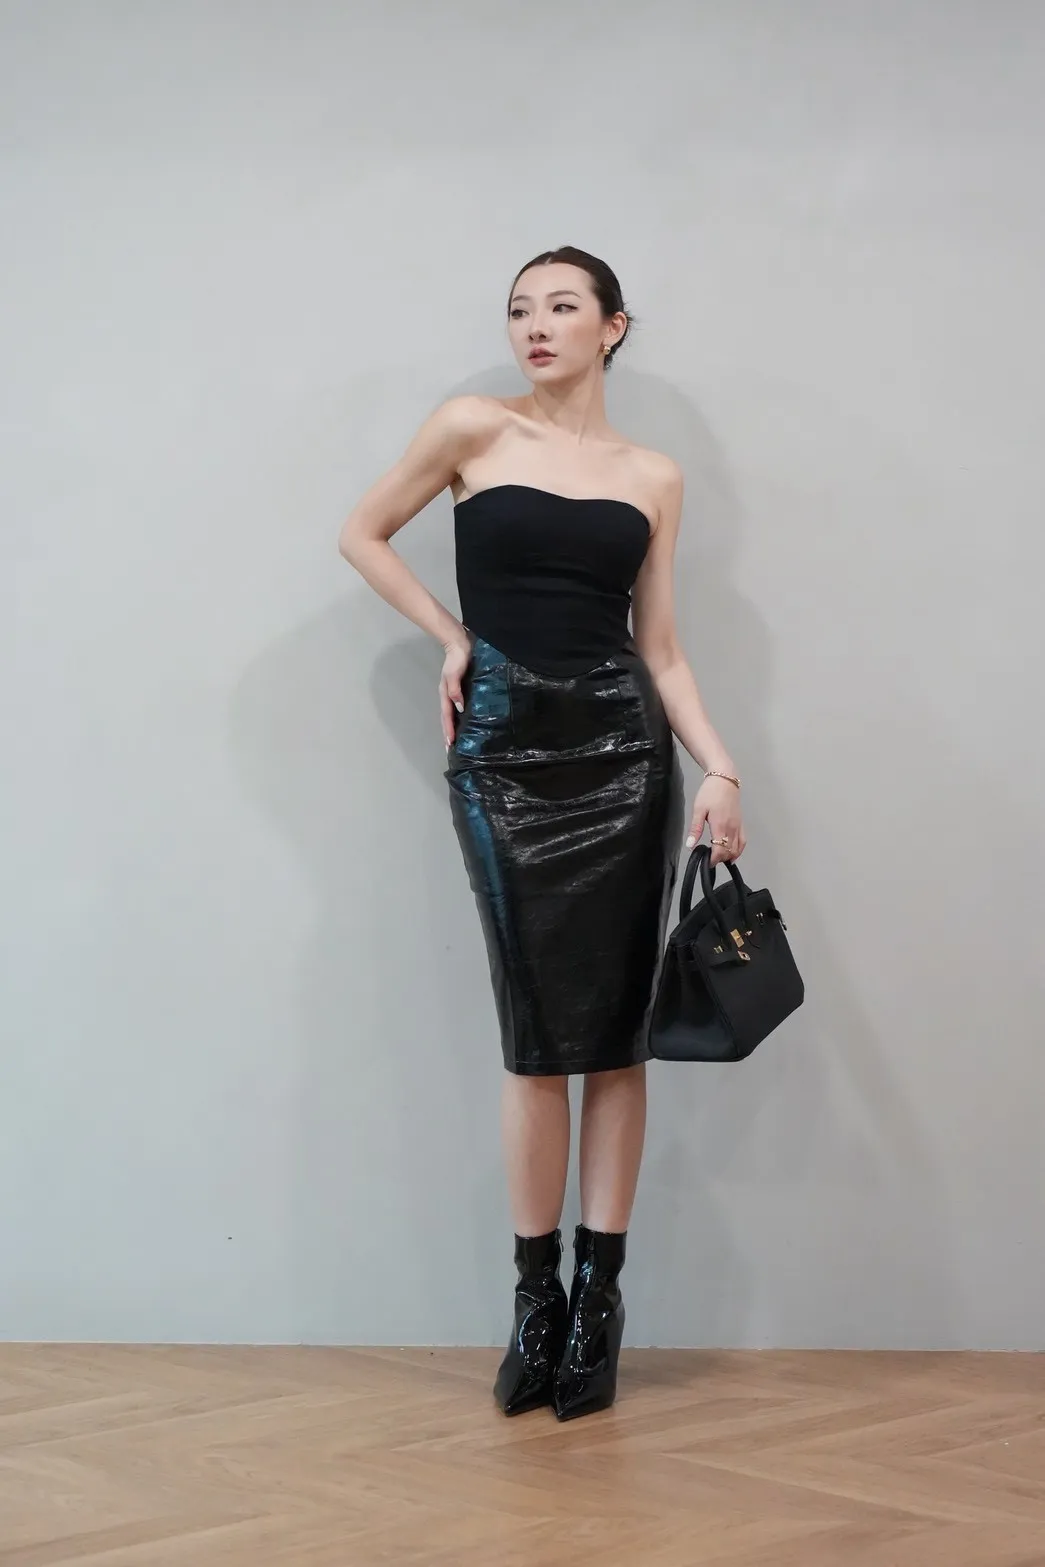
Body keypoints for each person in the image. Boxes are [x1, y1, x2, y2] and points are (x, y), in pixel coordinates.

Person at [339, 245, 745, 1421]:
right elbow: (363, 531)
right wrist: (452, 638)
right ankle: (534, 1302)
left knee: (614, 1040)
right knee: (533, 1039)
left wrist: (719, 767)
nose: (536, 323)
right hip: (504, 749)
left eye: (562, 305)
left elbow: (660, 647)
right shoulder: (473, 426)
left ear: (612, 327)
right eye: (520, 307)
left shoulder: (653, 475)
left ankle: (599, 1305)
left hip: (623, 754)